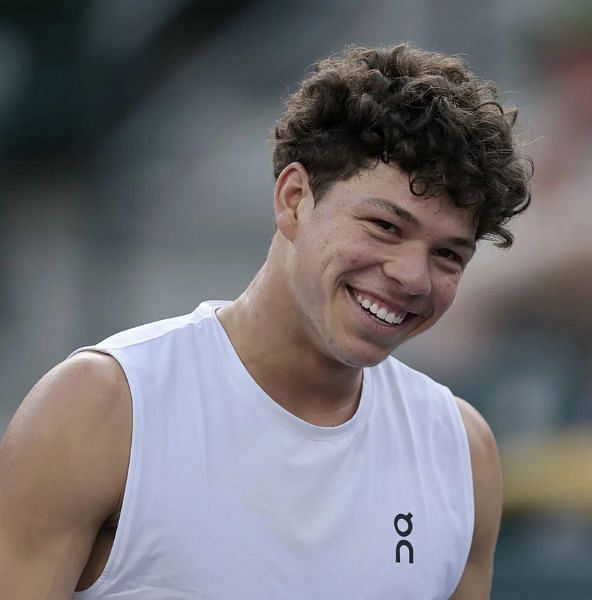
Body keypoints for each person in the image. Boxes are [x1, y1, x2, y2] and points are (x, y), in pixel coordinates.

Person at [0, 43, 531, 599]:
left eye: (448, 254)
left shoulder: (463, 452)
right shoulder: (99, 407)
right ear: (294, 198)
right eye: (384, 226)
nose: (413, 277)